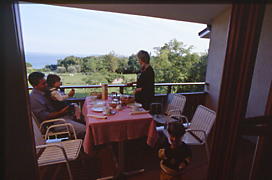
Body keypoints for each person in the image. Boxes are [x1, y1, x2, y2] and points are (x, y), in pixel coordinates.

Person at [28, 72, 85, 139]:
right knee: (83, 129)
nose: (46, 85)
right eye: (43, 84)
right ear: (35, 86)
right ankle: (80, 143)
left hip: (60, 117)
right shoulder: (34, 99)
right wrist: (62, 112)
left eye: (46, 82)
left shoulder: (45, 92)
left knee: (85, 119)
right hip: (53, 123)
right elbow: (45, 117)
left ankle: (77, 139)